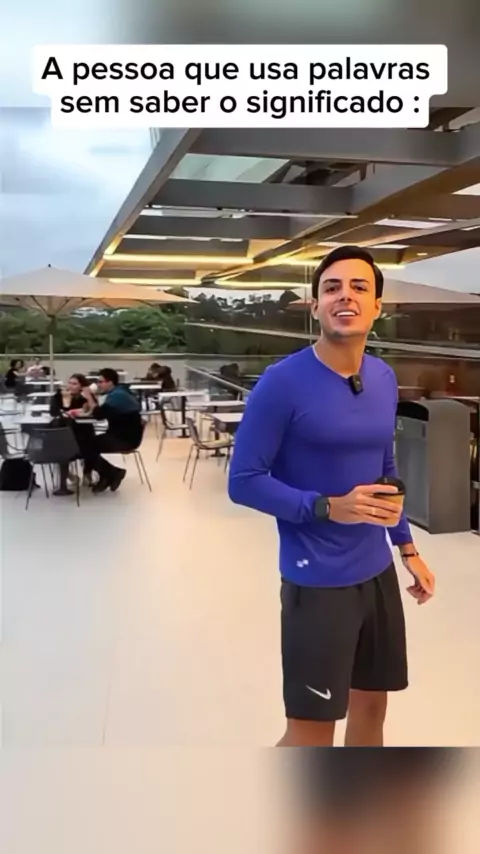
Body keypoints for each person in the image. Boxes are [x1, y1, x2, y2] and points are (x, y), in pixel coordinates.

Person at [228, 245, 435, 747]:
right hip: (317, 580)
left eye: (359, 287)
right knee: (311, 735)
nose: (345, 296)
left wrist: (406, 547)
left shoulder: (383, 377)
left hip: (376, 573)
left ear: (377, 306)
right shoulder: (282, 383)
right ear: (316, 305)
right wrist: (324, 506)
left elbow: (384, 471)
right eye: (332, 288)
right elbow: (243, 480)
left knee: (372, 709)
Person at [69, 367, 143, 493]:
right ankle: (108, 475)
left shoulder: (118, 396)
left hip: (124, 438)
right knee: (86, 442)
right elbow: (102, 412)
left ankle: (112, 473)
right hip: (122, 434)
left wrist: (89, 397)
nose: (98, 385)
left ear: (110, 382)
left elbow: (99, 415)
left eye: (101, 382)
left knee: (84, 445)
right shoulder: (120, 392)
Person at [50, 373, 97, 493]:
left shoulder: (85, 397)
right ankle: (70, 476)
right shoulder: (59, 395)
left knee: (90, 443)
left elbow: (94, 411)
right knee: (56, 446)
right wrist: (66, 402)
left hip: (82, 431)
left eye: (75, 384)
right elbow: (54, 412)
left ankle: (87, 474)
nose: (71, 386)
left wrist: (88, 397)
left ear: (82, 386)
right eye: (70, 383)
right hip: (63, 432)